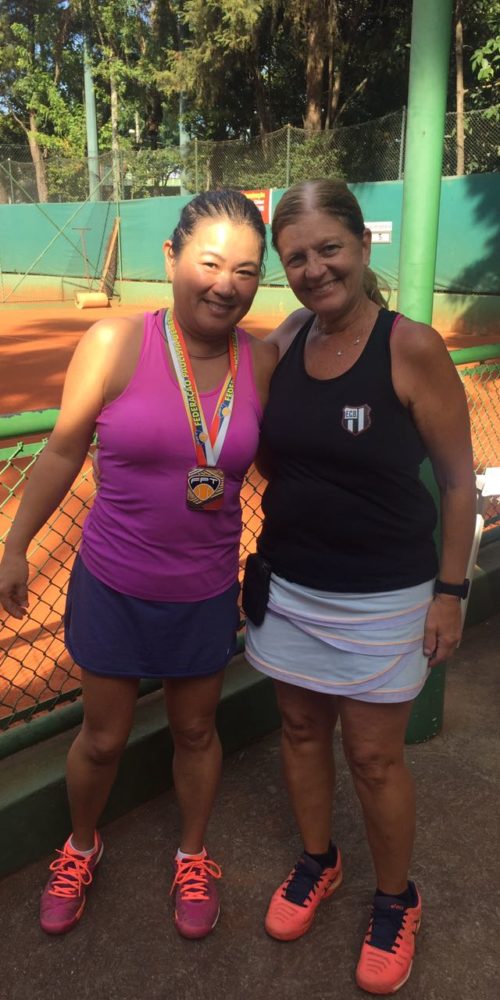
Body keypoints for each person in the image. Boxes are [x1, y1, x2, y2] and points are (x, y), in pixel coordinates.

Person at [0, 189, 276, 940]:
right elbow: (62, 450)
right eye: (209, 263)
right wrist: (15, 546)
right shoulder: (115, 343)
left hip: (205, 590)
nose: (225, 285)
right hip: (113, 584)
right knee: (101, 738)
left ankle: (193, 855)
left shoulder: (264, 360)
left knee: (197, 732)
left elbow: (288, 464)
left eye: (246, 271)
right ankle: (79, 846)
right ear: (171, 257)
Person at [244, 179, 475, 995]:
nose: (314, 269)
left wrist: (451, 591)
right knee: (300, 731)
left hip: (385, 597)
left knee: (375, 759)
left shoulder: (411, 347)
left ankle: (395, 900)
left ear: (363, 245)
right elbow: (267, 452)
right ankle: (319, 861)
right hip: (290, 584)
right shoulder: (285, 340)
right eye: (295, 258)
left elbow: (458, 482)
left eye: (329, 249)